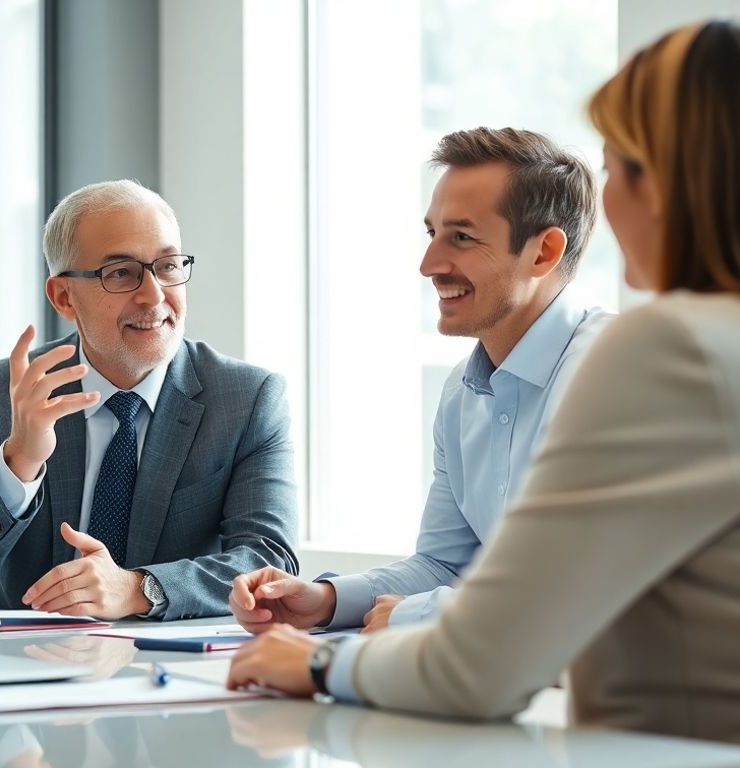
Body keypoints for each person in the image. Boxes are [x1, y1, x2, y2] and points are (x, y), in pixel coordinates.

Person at [226, 18, 740, 748]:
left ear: (669, 186)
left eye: (618, 167)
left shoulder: (674, 350)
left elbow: (480, 666)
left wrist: (317, 663)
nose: (610, 202)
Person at [231, 127, 610, 635]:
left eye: (462, 237)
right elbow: (443, 566)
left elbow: (582, 587)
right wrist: (322, 600)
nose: (429, 264)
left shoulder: (609, 377)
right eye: (432, 233)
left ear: (543, 253)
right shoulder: (461, 393)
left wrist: (413, 615)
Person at [0, 180, 298, 620]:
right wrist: (19, 460)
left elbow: (270, 565)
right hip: (18, 667)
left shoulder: (247, 399)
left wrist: (138, 589)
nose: (153, 295)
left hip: (168, 672)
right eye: (120, 273)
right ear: (64, 297)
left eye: (168, 266)